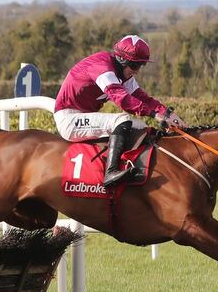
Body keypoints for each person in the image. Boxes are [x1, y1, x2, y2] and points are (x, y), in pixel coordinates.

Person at [54, 34, 187, 187]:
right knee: (122, 120)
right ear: (123, 60)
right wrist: (155, 114)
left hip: (84, 116)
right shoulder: (102, 66)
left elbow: (143, 98)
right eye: (135, 66)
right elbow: (122, 99)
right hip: (69, 119)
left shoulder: (123, 74)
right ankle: (111, 172)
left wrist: (167, 113)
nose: (137, 71)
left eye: (141, 66)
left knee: (140, 126)